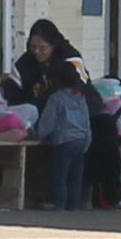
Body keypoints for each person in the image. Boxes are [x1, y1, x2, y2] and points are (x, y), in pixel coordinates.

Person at [30, 66, 97, 208]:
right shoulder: (80, 97)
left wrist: (38, 136)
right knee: (76, 174)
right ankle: (73, 203)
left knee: (60, 173)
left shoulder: (56, 98)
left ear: (55, 82)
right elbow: (86, 121)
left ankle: (59, 202)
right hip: (80, 139)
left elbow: (48, 121)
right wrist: (87, 141)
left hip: (63, 140)